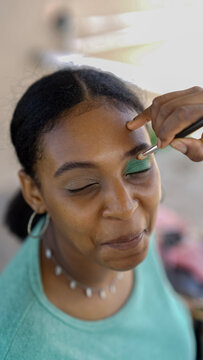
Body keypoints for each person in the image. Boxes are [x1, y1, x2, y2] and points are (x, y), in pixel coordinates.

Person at [0, 67, 202, 359]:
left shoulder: (132, 234)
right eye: (83, 185)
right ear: (34, 193)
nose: (125, 207)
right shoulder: (22, 347)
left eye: (137, 168)